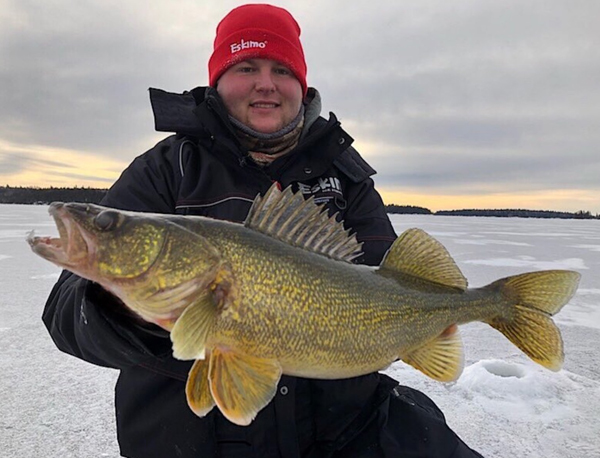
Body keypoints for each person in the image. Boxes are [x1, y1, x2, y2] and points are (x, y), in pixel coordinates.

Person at [43, 4, 483, 458]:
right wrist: (131, 312)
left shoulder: (346, 177)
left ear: (302, 86)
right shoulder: (164, 170)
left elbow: (385, 280)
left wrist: (424, 321)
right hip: (187, 441)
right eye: (246, 67)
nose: (266, 83)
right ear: (218, 81)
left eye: (281, 70)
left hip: (342, 435)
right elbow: (64, 315)